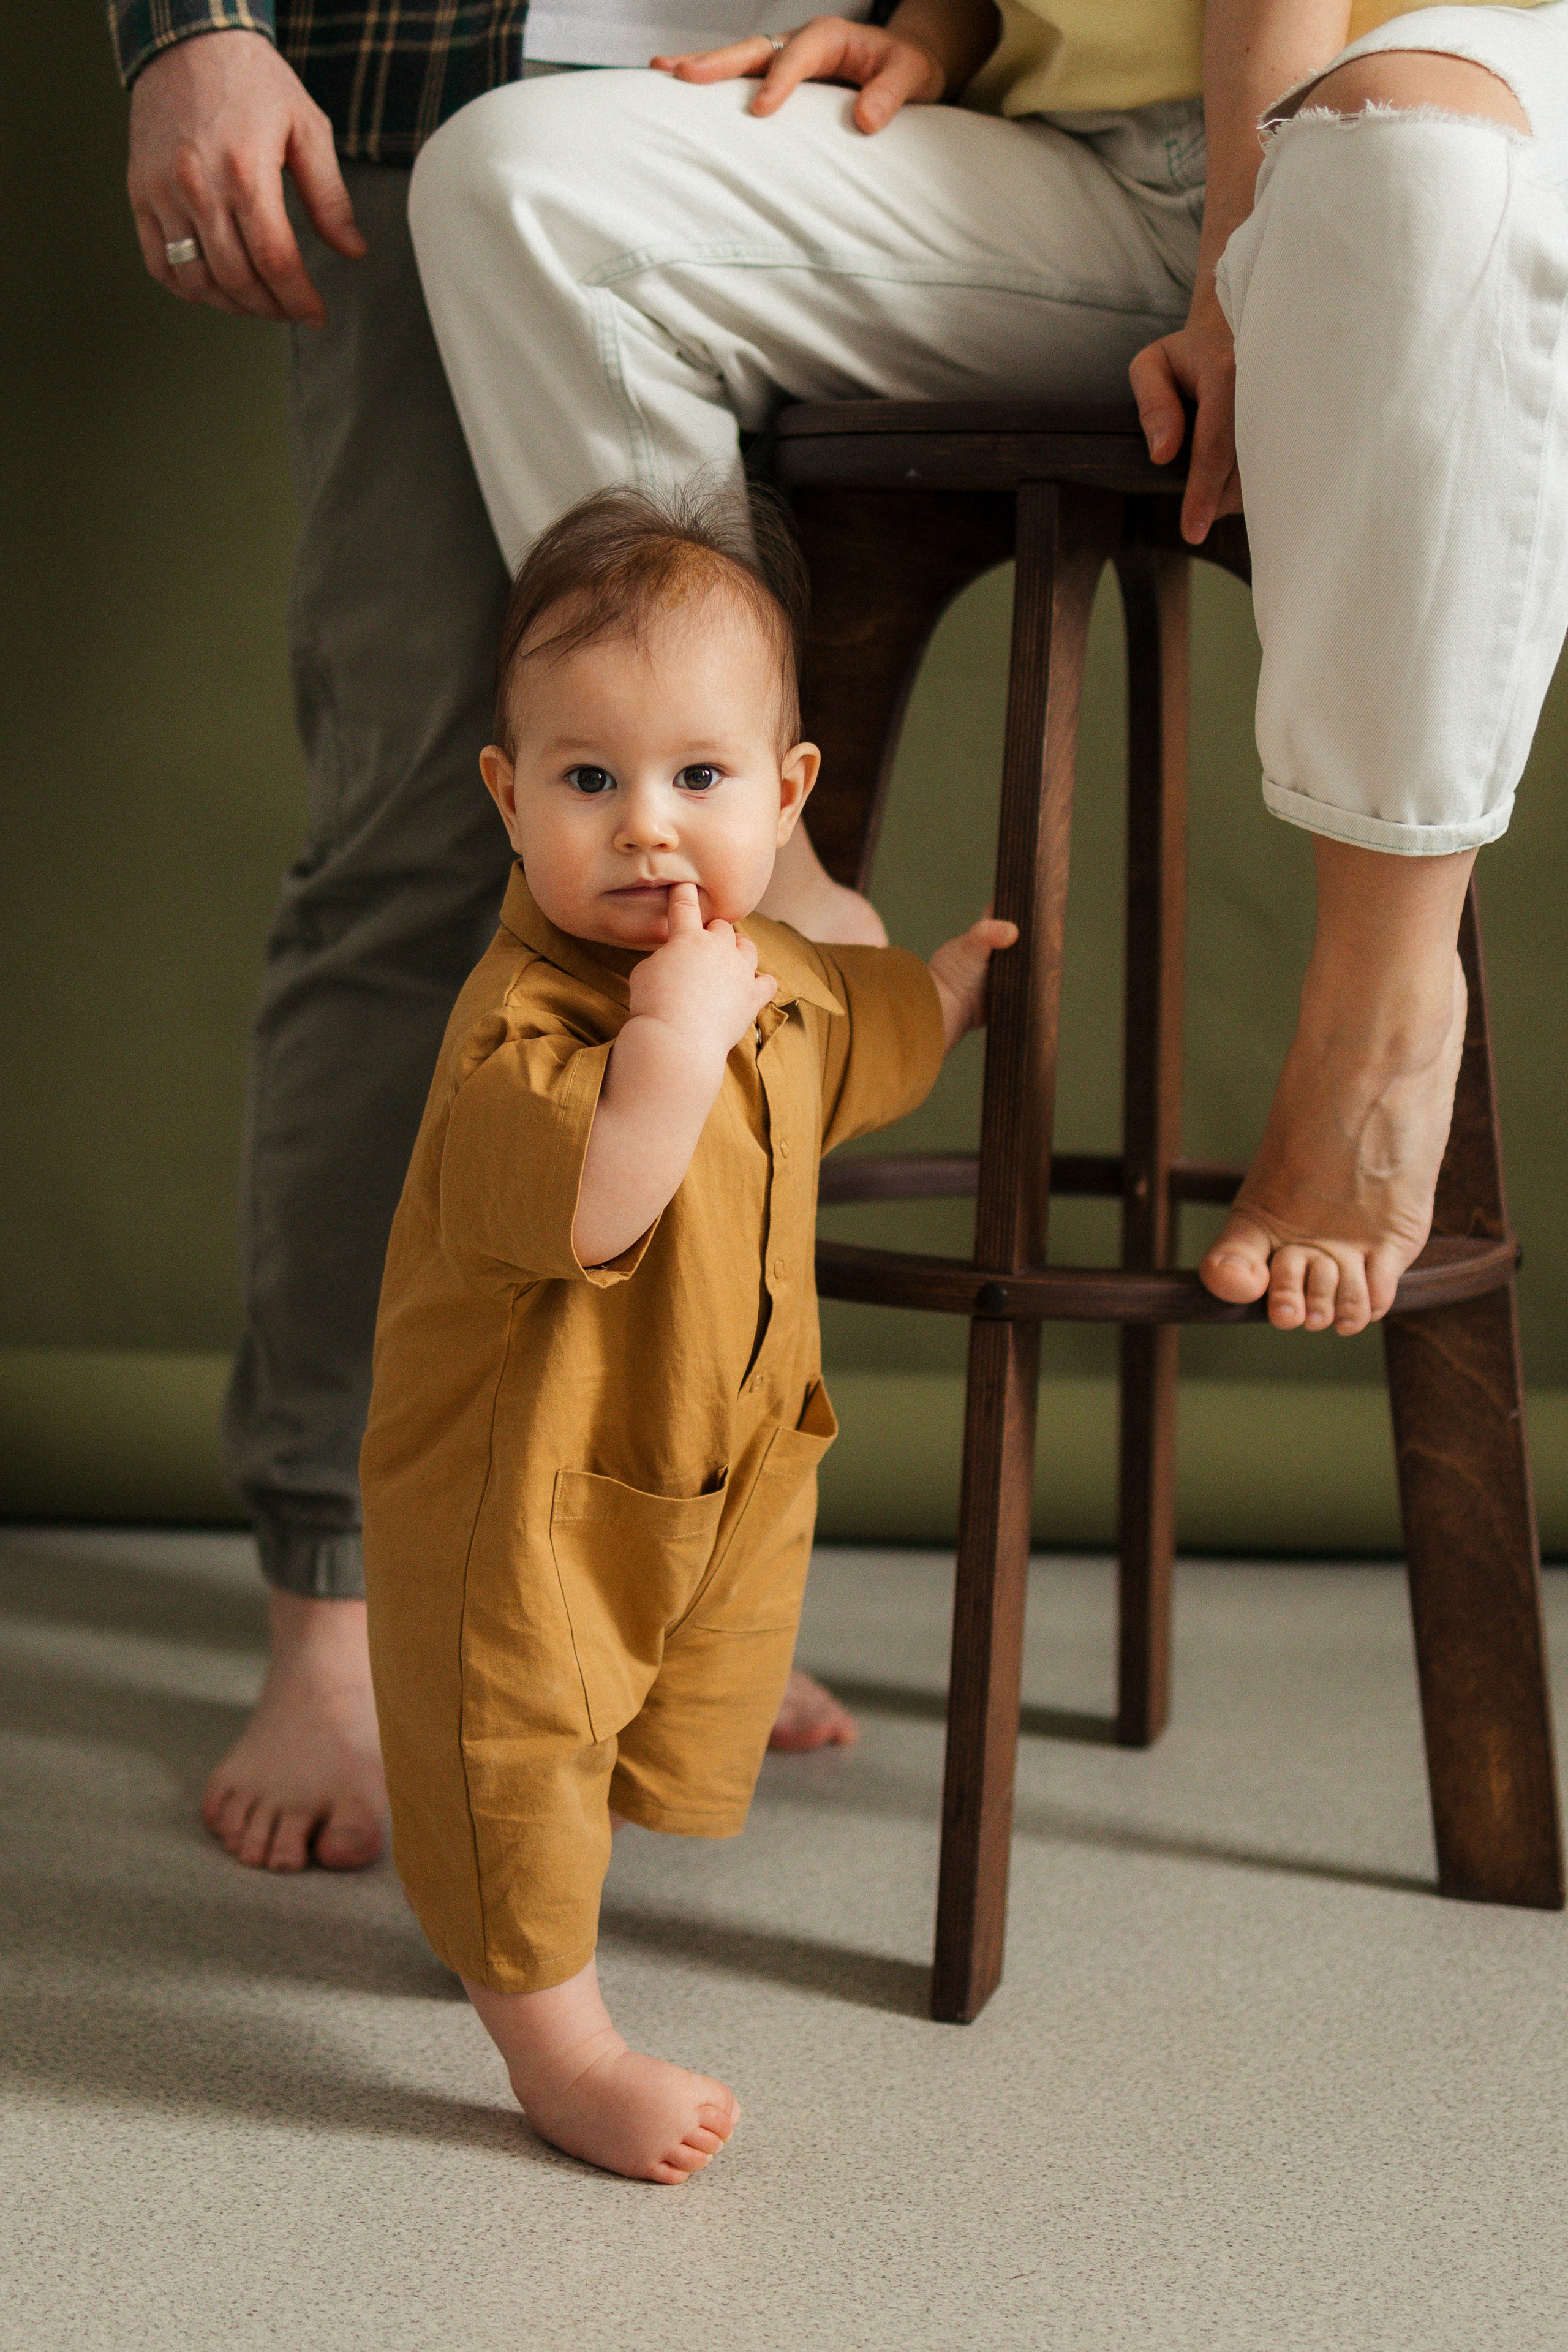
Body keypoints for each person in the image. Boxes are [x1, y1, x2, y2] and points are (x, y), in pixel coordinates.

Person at [406, 0, 1568, 1365]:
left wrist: (1236, 269)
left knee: (1412, 165)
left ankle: (1382, 1010)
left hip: (1427, 117)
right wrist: (949, 26)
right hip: (1077, 155)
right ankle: (763, 887)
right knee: (515, 185)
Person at [107, 2, 877, 1875]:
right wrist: (185, 27)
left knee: (738, 870)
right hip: (428, 78)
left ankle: (663, 1591)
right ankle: (336, 1611)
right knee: (417, 851)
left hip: (815, 107)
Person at [359, 486, 1016, 2181]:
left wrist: (939, 995)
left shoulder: (767, 969)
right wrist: (669, 1035)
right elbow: (598, 1202)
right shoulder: (523, 1028)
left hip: (707, 1468)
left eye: (698, 781)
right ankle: (558, 2051)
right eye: (589, 781)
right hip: (518, 1505)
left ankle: (530, 1911)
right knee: (514, 1740)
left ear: (784, 794)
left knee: (665, 1698)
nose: (648, 828)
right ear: (509, 800)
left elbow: (858, 1046)